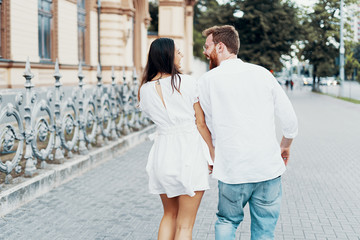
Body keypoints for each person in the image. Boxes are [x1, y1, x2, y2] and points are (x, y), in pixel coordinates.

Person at [198, 25, 298, 240]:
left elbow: (205, 124)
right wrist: (285, 145)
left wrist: (212, 156)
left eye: (207, 47)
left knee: (227, 221)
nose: (205, 52)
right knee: (264, 231)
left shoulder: (207, 81)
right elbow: (290, 121)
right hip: (267, 168)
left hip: (232, 169)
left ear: (221, 46)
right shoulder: (262, 74)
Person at [138, 38, 214, 240]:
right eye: (178, 52)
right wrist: (213, 155)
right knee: (185, 225)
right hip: (189, 153)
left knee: (169, 215)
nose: (181, 55)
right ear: (168, 55)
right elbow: (200, 124)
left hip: (163, 154)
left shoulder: (144, 90)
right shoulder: (187, 82)